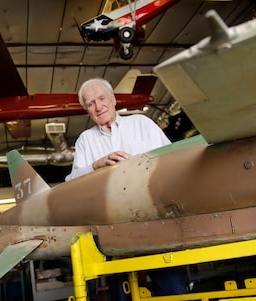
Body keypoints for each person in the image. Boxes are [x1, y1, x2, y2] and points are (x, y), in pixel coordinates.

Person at [65, 77, 188, 299]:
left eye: (101, 98)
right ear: (87, 110)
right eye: (90, 103)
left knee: (173, 289)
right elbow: (71, 184)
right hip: (113, 228)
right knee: (121, 294)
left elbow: (173, 160)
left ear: (113, 99)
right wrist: (96, 165)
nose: (98, 106)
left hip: (152, 219)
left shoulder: (141, 124)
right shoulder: (86, 140)